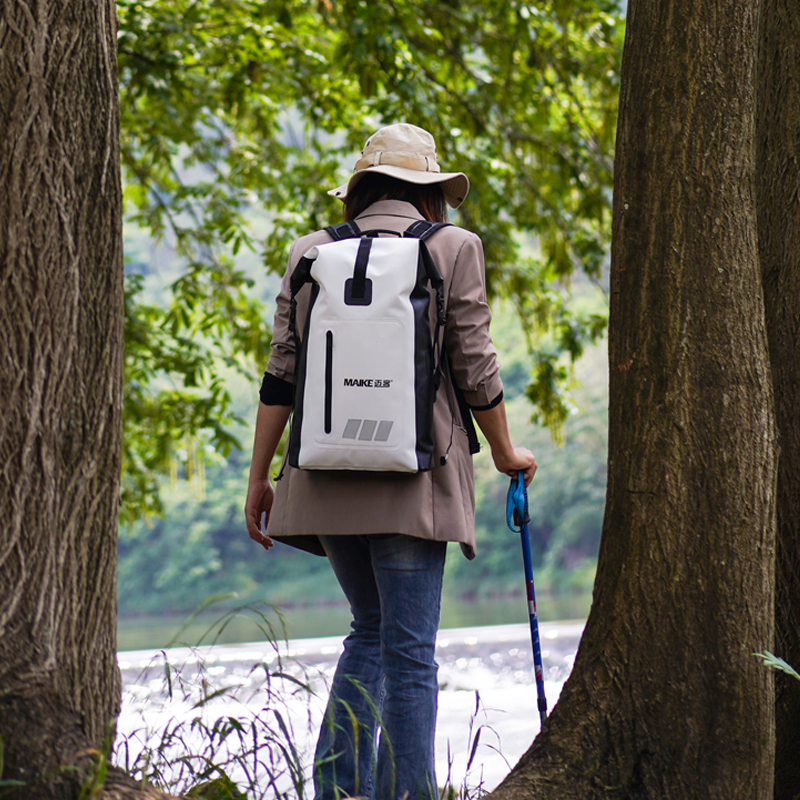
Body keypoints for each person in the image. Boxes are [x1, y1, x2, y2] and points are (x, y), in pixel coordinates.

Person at [244, 123, 537, 800]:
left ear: (358, 193)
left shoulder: (309, 252)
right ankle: (411, 795)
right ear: (428, 195)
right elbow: (474, 362)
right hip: (415, 479)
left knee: (368, 633)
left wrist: (261, 478)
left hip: (322, 475)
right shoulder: (453, 248)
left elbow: (280, 374)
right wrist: (504, 452)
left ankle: (341, 791)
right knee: (408, 653)